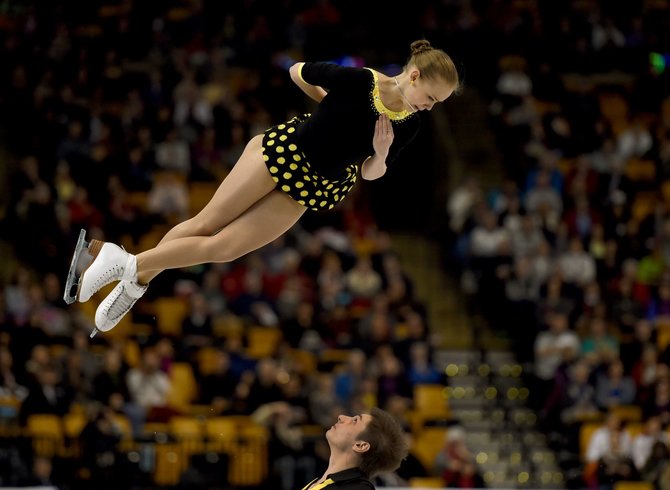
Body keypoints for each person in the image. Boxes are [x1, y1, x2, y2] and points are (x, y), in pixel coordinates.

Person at [67, 39, 459, 335]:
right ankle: (131, 279)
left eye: (437, 103)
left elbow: (372, 174)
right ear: (414, 76)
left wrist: (381, 153)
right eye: (431, 97)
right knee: (207, 224)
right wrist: (328, 104)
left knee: (223, 249)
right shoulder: (360, 80)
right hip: (282, 154)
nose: (430, 106)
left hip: (314, 187)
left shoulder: (411, 124)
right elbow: (297, 71)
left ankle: (124, 265)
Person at [302, 407, 408, 489]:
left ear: (360, 445)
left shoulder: (358, 488)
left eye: (355, 421)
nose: (341, 417)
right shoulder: (319, 481)